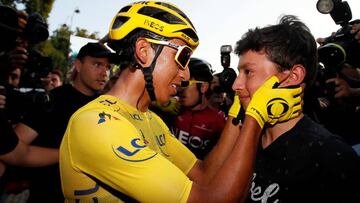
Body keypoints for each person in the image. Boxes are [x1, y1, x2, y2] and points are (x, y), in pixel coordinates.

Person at [59, 2, 303, 202]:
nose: (186, 75)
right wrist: (255, 119)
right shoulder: (98, 125)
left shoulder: (150, 119)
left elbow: (204, 175)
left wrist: (237, 114)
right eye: (182, 57)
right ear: (144, 52)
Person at [231, 15, 360, 202]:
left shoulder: (330, 156)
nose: (236, 85)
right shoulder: (241, 140)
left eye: (248, 72)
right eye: (238, 73)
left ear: (293, 76)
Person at [13, 42, 117, 203]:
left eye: (108, 67)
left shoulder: (107, 106)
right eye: (97, 64)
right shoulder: (53, 99)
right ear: (78, 65)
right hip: (47, 194)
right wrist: (70, 155)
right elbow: (14, 146)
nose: (104, 72)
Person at [171, 57, 226, 159]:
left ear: (203, 87)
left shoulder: (218, 121)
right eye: (179, 84)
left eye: (185, 84)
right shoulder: (172, 109)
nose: (180, 89)